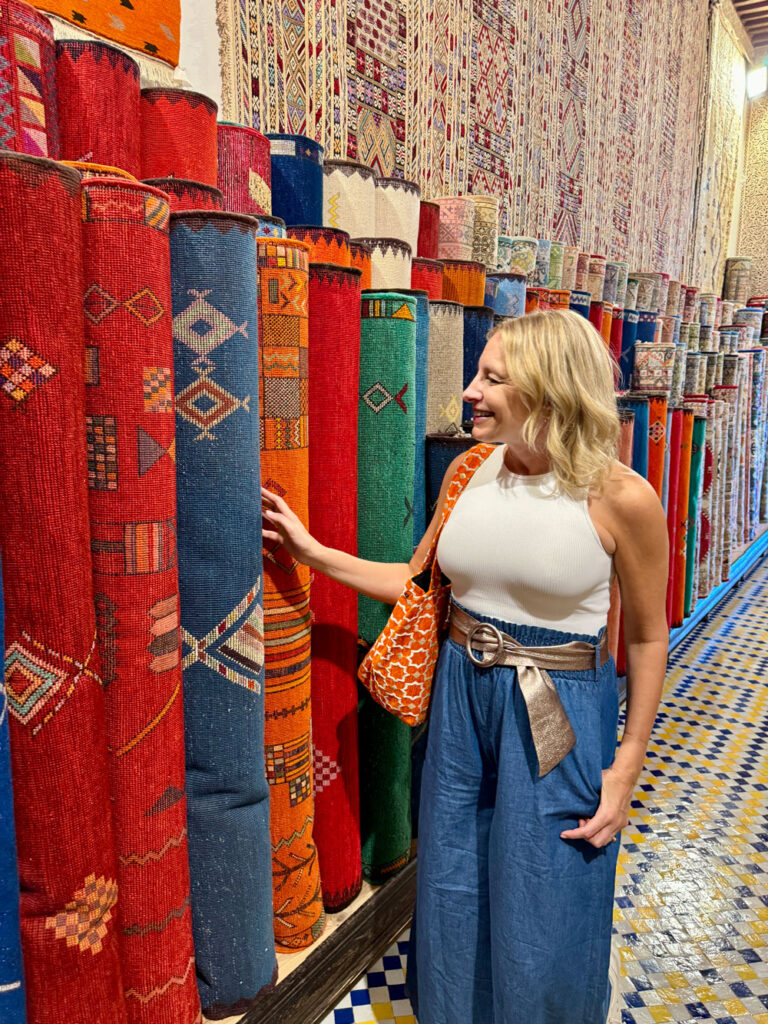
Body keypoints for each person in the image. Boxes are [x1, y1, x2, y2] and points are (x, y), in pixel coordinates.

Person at [262, 308, 669, 1024]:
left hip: (556, 706)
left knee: (546, 882)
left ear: (548, 391)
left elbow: (645, 636)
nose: (470, 393)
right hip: (460, 693)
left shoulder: (621, 498)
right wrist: (312, 551)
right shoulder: (468, 471)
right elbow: (421, 586)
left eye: (493, 378)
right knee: (452, 873)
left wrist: (628, 764)